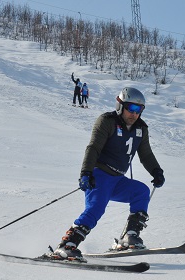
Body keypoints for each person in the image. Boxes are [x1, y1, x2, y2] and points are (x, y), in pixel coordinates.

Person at [50, 87, 166, 261]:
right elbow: (93, 147)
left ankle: (130, 236)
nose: (135, 114)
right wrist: (86, 173)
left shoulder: (141, 128)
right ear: (120, 105)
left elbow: (146, 154)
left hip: (118, 180)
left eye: (139, 109)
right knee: (96, 209)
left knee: (141, 192)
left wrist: (156, 171)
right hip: (100, 176)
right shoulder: (108, 121)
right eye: (131, 108)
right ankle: (67, 245)